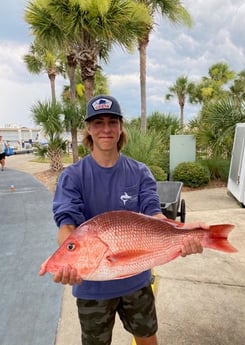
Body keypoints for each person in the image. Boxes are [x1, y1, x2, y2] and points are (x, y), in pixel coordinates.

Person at [52, 95, 208, 345]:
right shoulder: (72, 176)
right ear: (89, 129)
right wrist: (69, 259)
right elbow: (67, 224)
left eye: (112, 122)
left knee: (147, 338)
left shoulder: (139, 171)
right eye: (98, 122)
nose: (106, 129)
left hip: (136, 278)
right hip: (93, 286)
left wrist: (182, 234)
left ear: (121, 127)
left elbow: (153, 214)